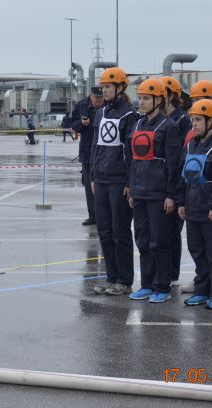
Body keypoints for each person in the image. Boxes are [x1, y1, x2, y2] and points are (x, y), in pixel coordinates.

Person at [125, 78, 181, 303]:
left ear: (159, 100)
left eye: (146, 98)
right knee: (143, 240)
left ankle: (162, 286)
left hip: (159, 194)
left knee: (160, 241)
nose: (142, 102)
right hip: (139, 192)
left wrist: (171, 194)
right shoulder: (137, 125)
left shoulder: (168, 127)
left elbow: (174, 164)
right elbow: (131, 159)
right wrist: (130, 187)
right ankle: (147, 284)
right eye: (140, 98)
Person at [177, 99, 212, 309]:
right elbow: (185, 176)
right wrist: (182, 202)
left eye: (198, 120)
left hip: (211, 209)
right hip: (193, 206)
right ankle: (202, 290)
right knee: (197, 250)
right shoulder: (191, 144)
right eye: (192, 120)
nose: (194, 124)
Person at [90, 67, 136, 296]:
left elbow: (131, 151)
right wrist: (92, 176)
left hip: (119, 179)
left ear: (120, 88)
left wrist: (129, 181)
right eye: (103, 87)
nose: (104, 90)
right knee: (105, 232)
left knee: (120, 232)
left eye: (108, 87)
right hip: (101, 178)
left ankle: (125, 280)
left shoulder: (129, 114)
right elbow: (95, 146)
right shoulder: (101, 112)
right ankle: (111, 276)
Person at [160, 76, 189, 288]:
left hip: (177, 181)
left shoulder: (183, 121)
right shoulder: (158, 120)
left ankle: (170, 273)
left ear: (171, 96)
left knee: (172, 231)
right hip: (158, 183)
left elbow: (180, 156)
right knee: (159, 232)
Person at [71, 86, 104, 226]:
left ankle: (104, 215)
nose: (99, 101)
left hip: (104, 152)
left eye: (101, 97)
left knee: (103, 185)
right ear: (91, 96)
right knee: (89, 187)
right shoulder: (82, 105)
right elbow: (73, 124)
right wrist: (81, 124)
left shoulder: (108, 105)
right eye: (96, 98)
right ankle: (93, 216)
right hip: (87, 151)